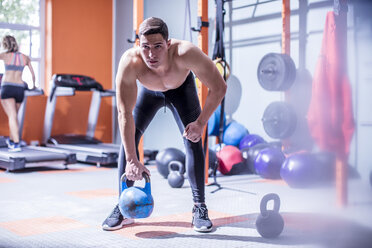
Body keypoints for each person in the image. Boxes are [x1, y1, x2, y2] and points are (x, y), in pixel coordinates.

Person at [102, 17, 227, 233]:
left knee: (194, 139)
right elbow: (124, 114)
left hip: (182, 90)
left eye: (158, 46)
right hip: (148, 94)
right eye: (145, 47)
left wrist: (200, 123)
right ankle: (123, 207)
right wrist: (132, 160)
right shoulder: (130, 62)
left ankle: (199, 207)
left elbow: (219, 87)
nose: (151, 54)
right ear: (138, 44)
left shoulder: (186, 53)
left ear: (168, 44)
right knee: (128, 142)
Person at [0, 35, 35, 152]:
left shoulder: (4, 55)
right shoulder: (25, 57)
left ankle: (15, 143)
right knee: (14, 117)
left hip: (8, 87)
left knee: (12, 116)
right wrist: (33, 86)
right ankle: (11, 140)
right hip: (20, 88)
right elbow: (33, 75)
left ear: (5, 44)